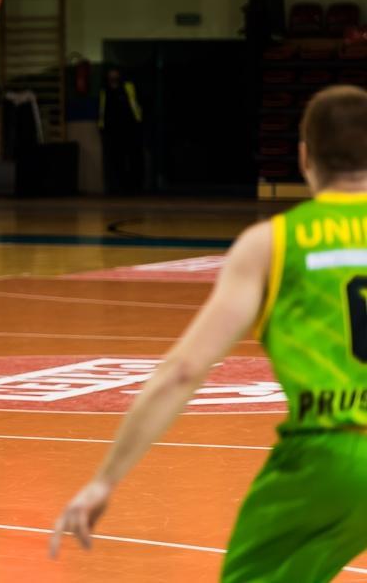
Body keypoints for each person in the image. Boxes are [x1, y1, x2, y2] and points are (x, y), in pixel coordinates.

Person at [51, 85, 367, 581]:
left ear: (304, 157)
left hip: (327, 455)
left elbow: (184, 370)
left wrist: (105, 481)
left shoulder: (273, 243)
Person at [98, 68, 143, 194]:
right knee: (114, 159)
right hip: (111, 130)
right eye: (111, 74)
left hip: (129, 129)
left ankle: (132, 186)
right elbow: (102, 109)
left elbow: (135, 105)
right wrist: (102, 126)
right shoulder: (105, 90)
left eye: (115, 74)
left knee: (131, 158)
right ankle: (116, 187)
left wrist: (137, 122)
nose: (113, 76)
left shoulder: (128, 87)